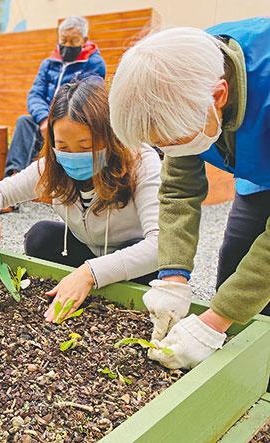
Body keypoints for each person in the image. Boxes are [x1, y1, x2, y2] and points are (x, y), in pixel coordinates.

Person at [108, 18, 270, 369]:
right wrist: (173, 277)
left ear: (219, 96)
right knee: (235, 267)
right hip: (258, 175)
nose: (168, 150)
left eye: (172, 142)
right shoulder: (186, 74)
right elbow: (179, 190)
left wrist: (216, 322)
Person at [0, 76, 161, 322]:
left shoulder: (141, 163)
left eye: (85, 147)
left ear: (111, 135)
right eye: (62, 145)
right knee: (40, 237)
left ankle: (95, 280)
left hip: (129, 254)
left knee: (155, 273)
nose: (72, 155)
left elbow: (160, 246)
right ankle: (91, 280)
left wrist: (89, 274)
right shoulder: (53, 166)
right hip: (88, 249)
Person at [3, 16, 106, 184]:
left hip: (72, 121)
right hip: (46, 123)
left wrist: (59, 119)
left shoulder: (94, 63)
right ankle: (13, 177)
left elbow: (88, 98)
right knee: (24, 122)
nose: (67, 45)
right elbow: (35, 94)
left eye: (73, 41)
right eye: (63, 40)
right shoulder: (48, 63)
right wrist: (44, 119)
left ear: (85, 40)